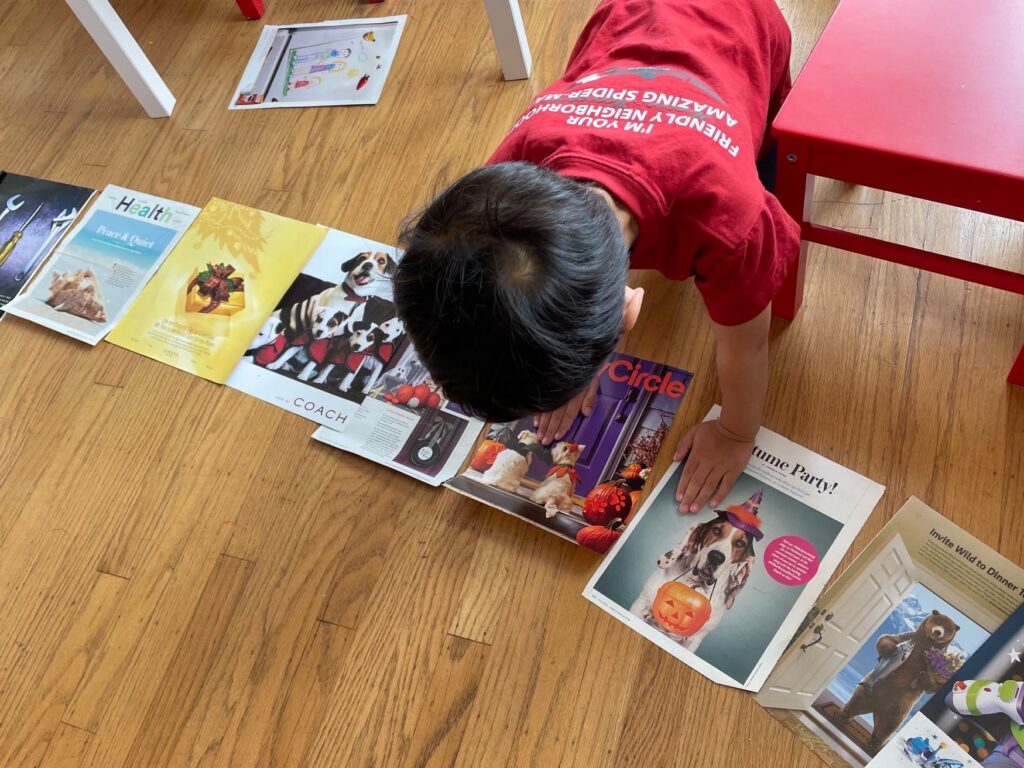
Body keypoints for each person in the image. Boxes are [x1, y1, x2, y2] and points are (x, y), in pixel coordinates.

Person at [394, 0, 800, 512]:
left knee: (772, 152)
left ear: (632, 309)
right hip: (629, 18)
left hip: (742, 24)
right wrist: (563, 360)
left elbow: (748, 347)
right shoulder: (498, 189)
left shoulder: (730, 221)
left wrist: (738, 432)